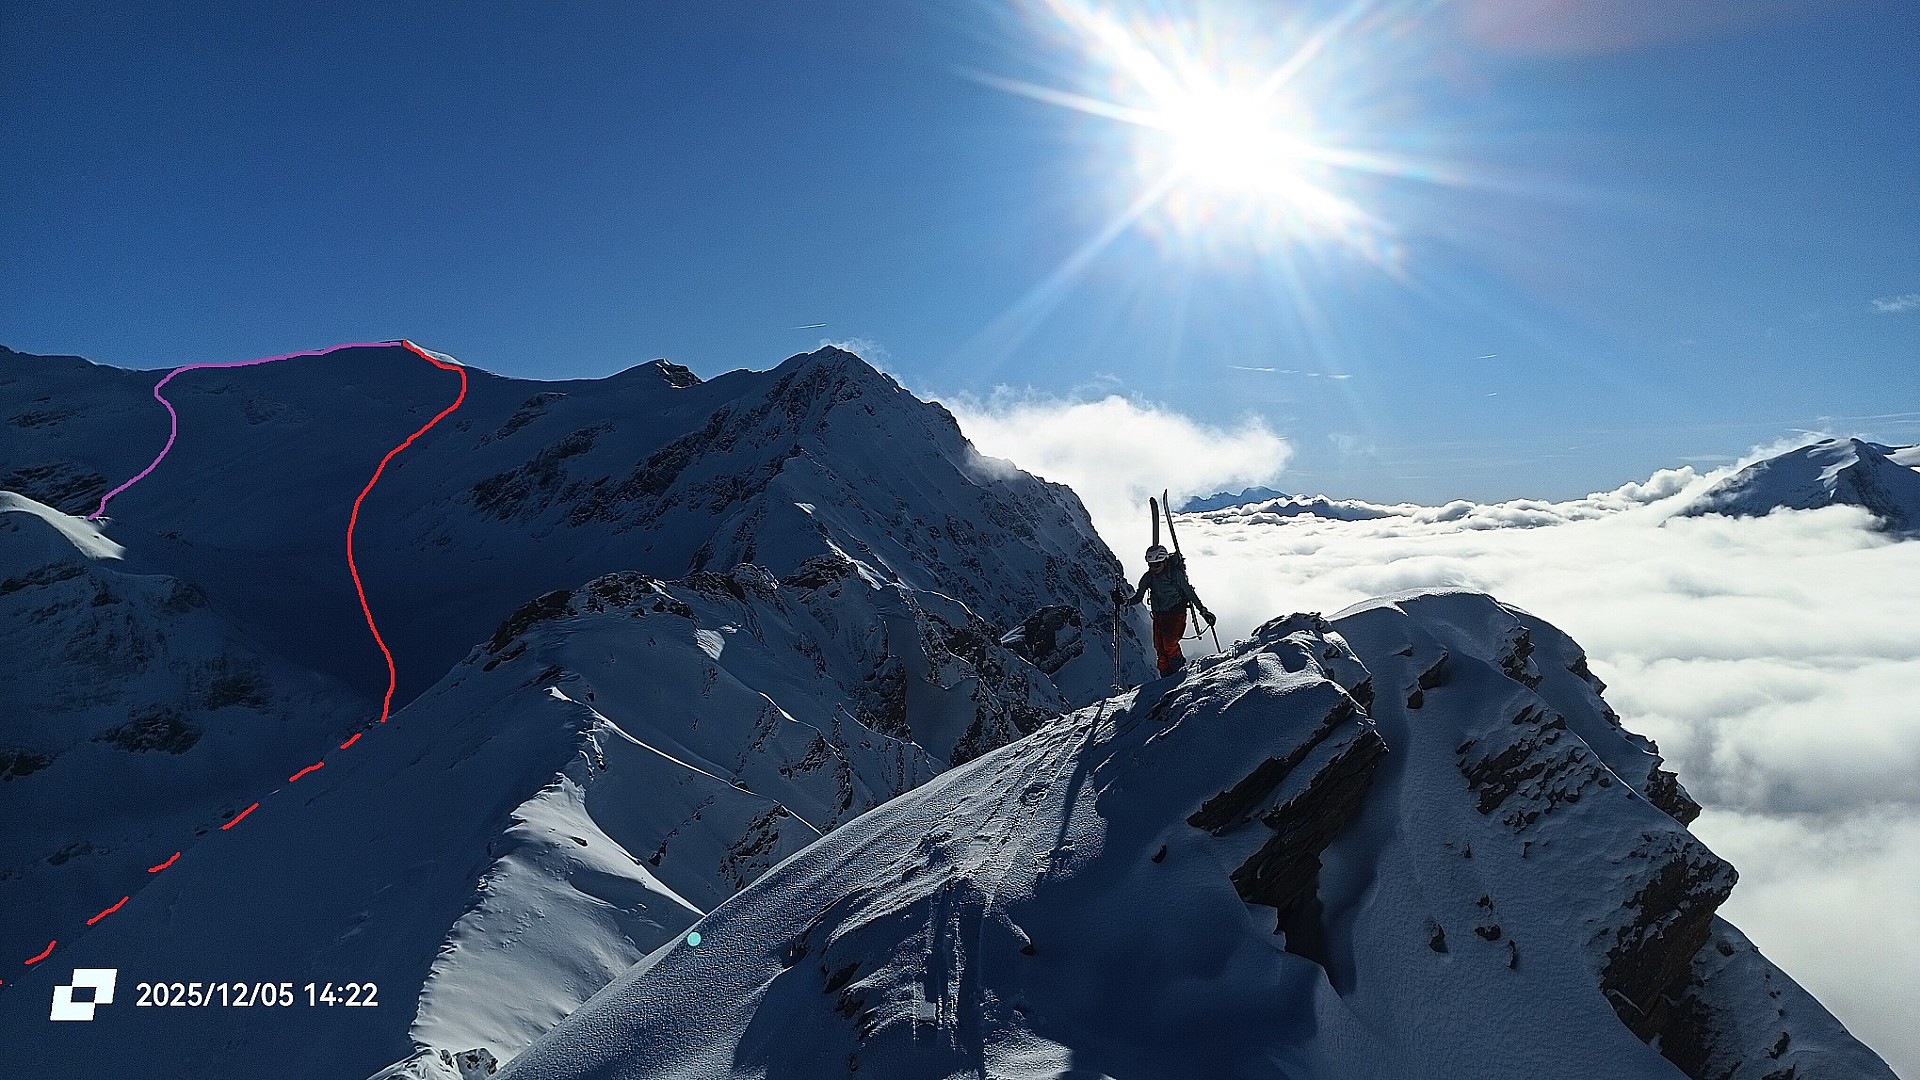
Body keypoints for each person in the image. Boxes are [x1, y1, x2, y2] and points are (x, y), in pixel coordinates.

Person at [1113, 544, 1214, 677]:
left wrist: (1203, 611)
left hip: (1176, 613)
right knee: (1159, 648)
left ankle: (1178, 672)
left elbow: (1189, 592)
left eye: (1157, 565)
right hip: (1159, 615)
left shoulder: (1175, 574)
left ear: (1165, 562)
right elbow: (1138, 597)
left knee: (1169, 644)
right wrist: (1125, 601)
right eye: (1151, 565)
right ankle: (1165, 678)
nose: (1153, 568)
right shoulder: (1148, 577)